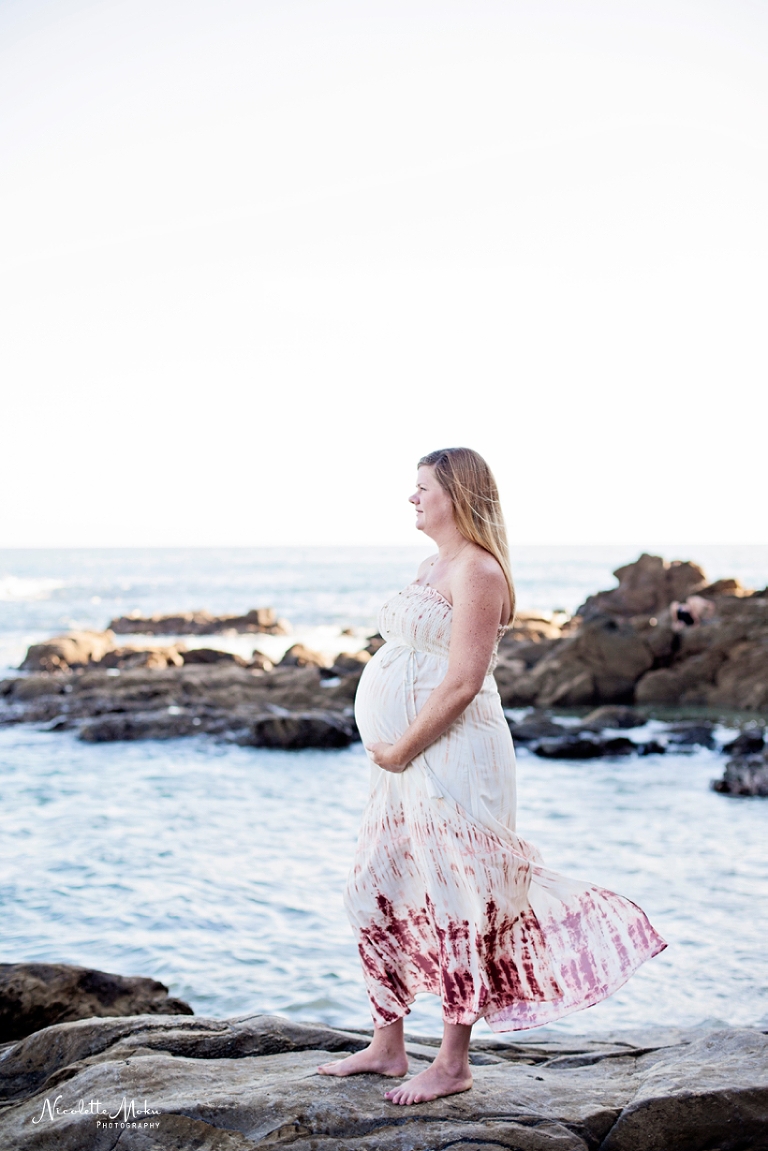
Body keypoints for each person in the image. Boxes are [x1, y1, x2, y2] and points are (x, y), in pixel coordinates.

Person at [318, 447, 666, 1105]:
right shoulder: (433, 565)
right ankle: (387, 1045)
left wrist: (401, 748)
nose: (411, 498)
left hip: (453, 755)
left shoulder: (479, 572)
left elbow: (462, 682)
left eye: (422, 488)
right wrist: (390, 746)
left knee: (459, 896)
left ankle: (452, 1062)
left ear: (457, 494)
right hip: (404, 764)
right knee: (372, 885)